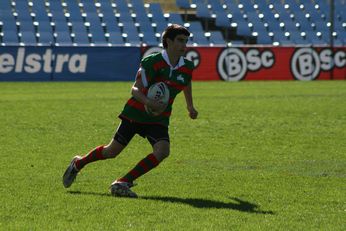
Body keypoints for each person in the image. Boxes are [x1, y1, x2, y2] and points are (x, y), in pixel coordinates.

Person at [62, 24, 198, 198]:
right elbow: (135, 89)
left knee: (163, 151)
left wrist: (190, 106)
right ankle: (78, 163)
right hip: (135, 114)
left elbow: (186, 82)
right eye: (180, 40)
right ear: (168, 41)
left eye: (186, 41)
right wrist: (149, 102)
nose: (184, 45)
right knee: (112, 151)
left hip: (158, 118)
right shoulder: (152, 62)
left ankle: (122, 182)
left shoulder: (186, 66)